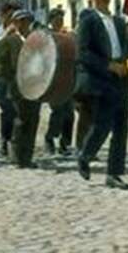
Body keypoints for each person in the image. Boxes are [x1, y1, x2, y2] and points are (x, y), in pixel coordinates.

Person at [75, 0, 128, 190]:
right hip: (102, 79)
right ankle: (85, 154)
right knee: (102, 124)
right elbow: (82, 53)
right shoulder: (88, 21)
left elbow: (127, 52)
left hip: (121, 80)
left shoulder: (119, 22)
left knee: (121, 128)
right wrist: (108, 65)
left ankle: (114, 174)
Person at [0, 9, 41, 168]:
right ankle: (16, 156)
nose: (23, 24)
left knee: (33, 120)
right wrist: (12, 81)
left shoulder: (36, 40)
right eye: (20, 21)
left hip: (35, 86)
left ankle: (27, 157)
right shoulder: (9, 41)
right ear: (14, 23)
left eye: (26, 21)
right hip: (17, 87)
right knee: (20, 120)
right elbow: (2, 65)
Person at [0, 2, 20, 156]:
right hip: (2, 75)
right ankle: (5, 140)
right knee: (7, 109)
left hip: (19, 75)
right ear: (2, 16)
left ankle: (16, 141)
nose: (13, 20)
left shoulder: (21, 33)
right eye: (9, 16)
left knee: (19, 110)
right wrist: (5, 35)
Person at [43, 8, 75, 157]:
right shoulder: (46, 36)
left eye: (61, 19)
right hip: (54, 80)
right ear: (51, 21)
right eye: (56, 19)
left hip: (67, 79)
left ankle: (65, 144)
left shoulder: (68, 36)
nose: (59, 22)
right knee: (58, 112)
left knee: (69, 114)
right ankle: (50, 138)